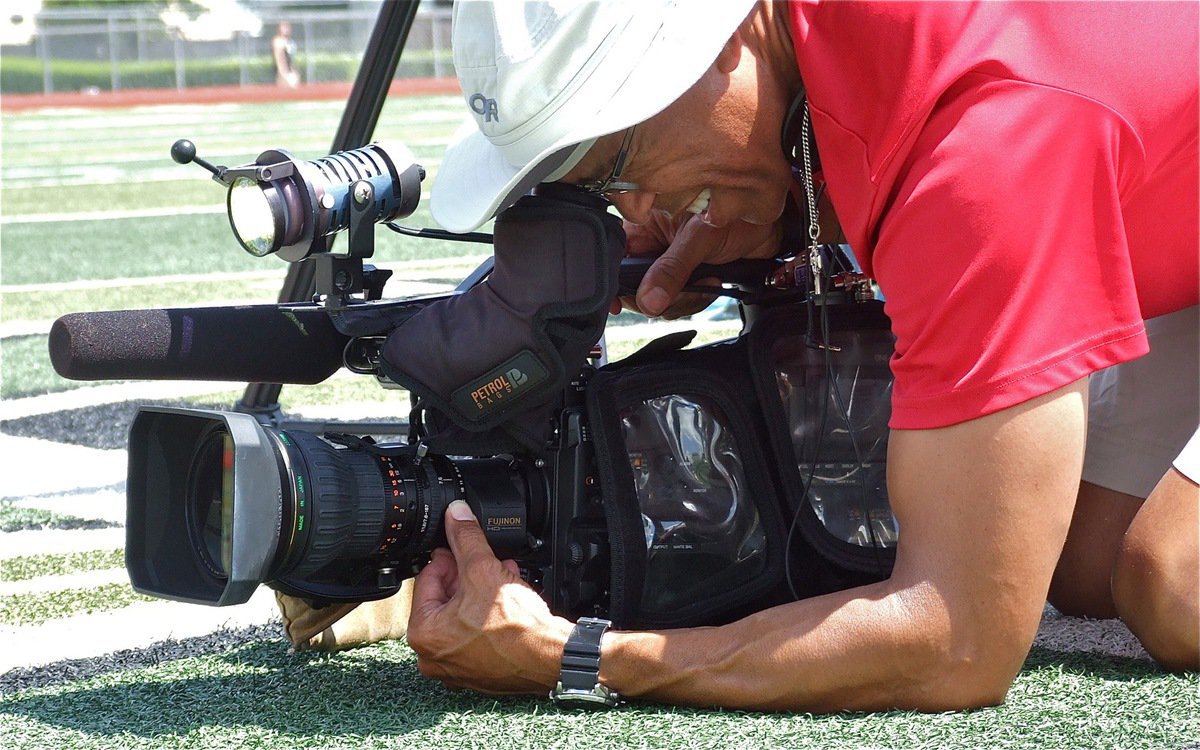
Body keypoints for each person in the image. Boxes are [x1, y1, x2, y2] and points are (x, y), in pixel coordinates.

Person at [391, 1, 1198, 711]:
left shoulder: (982, 152)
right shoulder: (828, 48)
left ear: (718, 48)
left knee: (1172, 582)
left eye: (620, 164)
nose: (637, 211)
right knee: (1085, 559)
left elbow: (956, 642)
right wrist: (775, 223)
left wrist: (580, 658)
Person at [273, 21, 299, 88]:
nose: (286, 30)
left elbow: (291, 59)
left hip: (290, 71)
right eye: (284, 28)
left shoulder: (291, 42)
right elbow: (280, 59)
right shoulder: (278, 41)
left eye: (287, 27)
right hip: (282, 73)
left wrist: (294, 71)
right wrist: (283, 74)